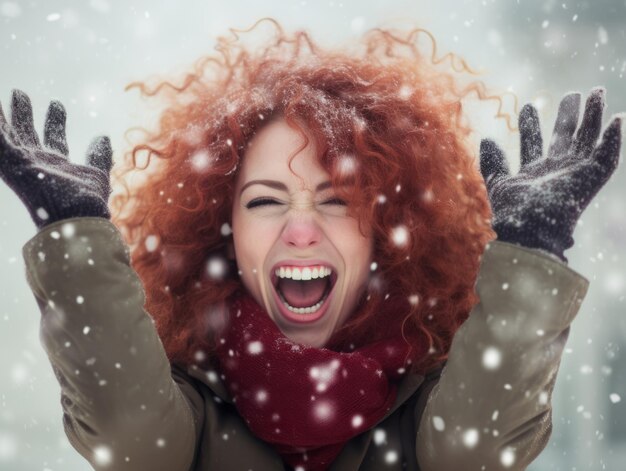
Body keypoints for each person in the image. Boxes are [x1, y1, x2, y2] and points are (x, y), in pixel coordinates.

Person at [0, 21, 621, 471]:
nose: (301, 231)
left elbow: (476, 448)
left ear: (385, 228)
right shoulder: (186, 407)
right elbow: (126, 431)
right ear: (223, 230)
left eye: (338, 200)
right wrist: (76, 235)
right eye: (266, 201)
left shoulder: (429, 400)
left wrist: (532, 248)